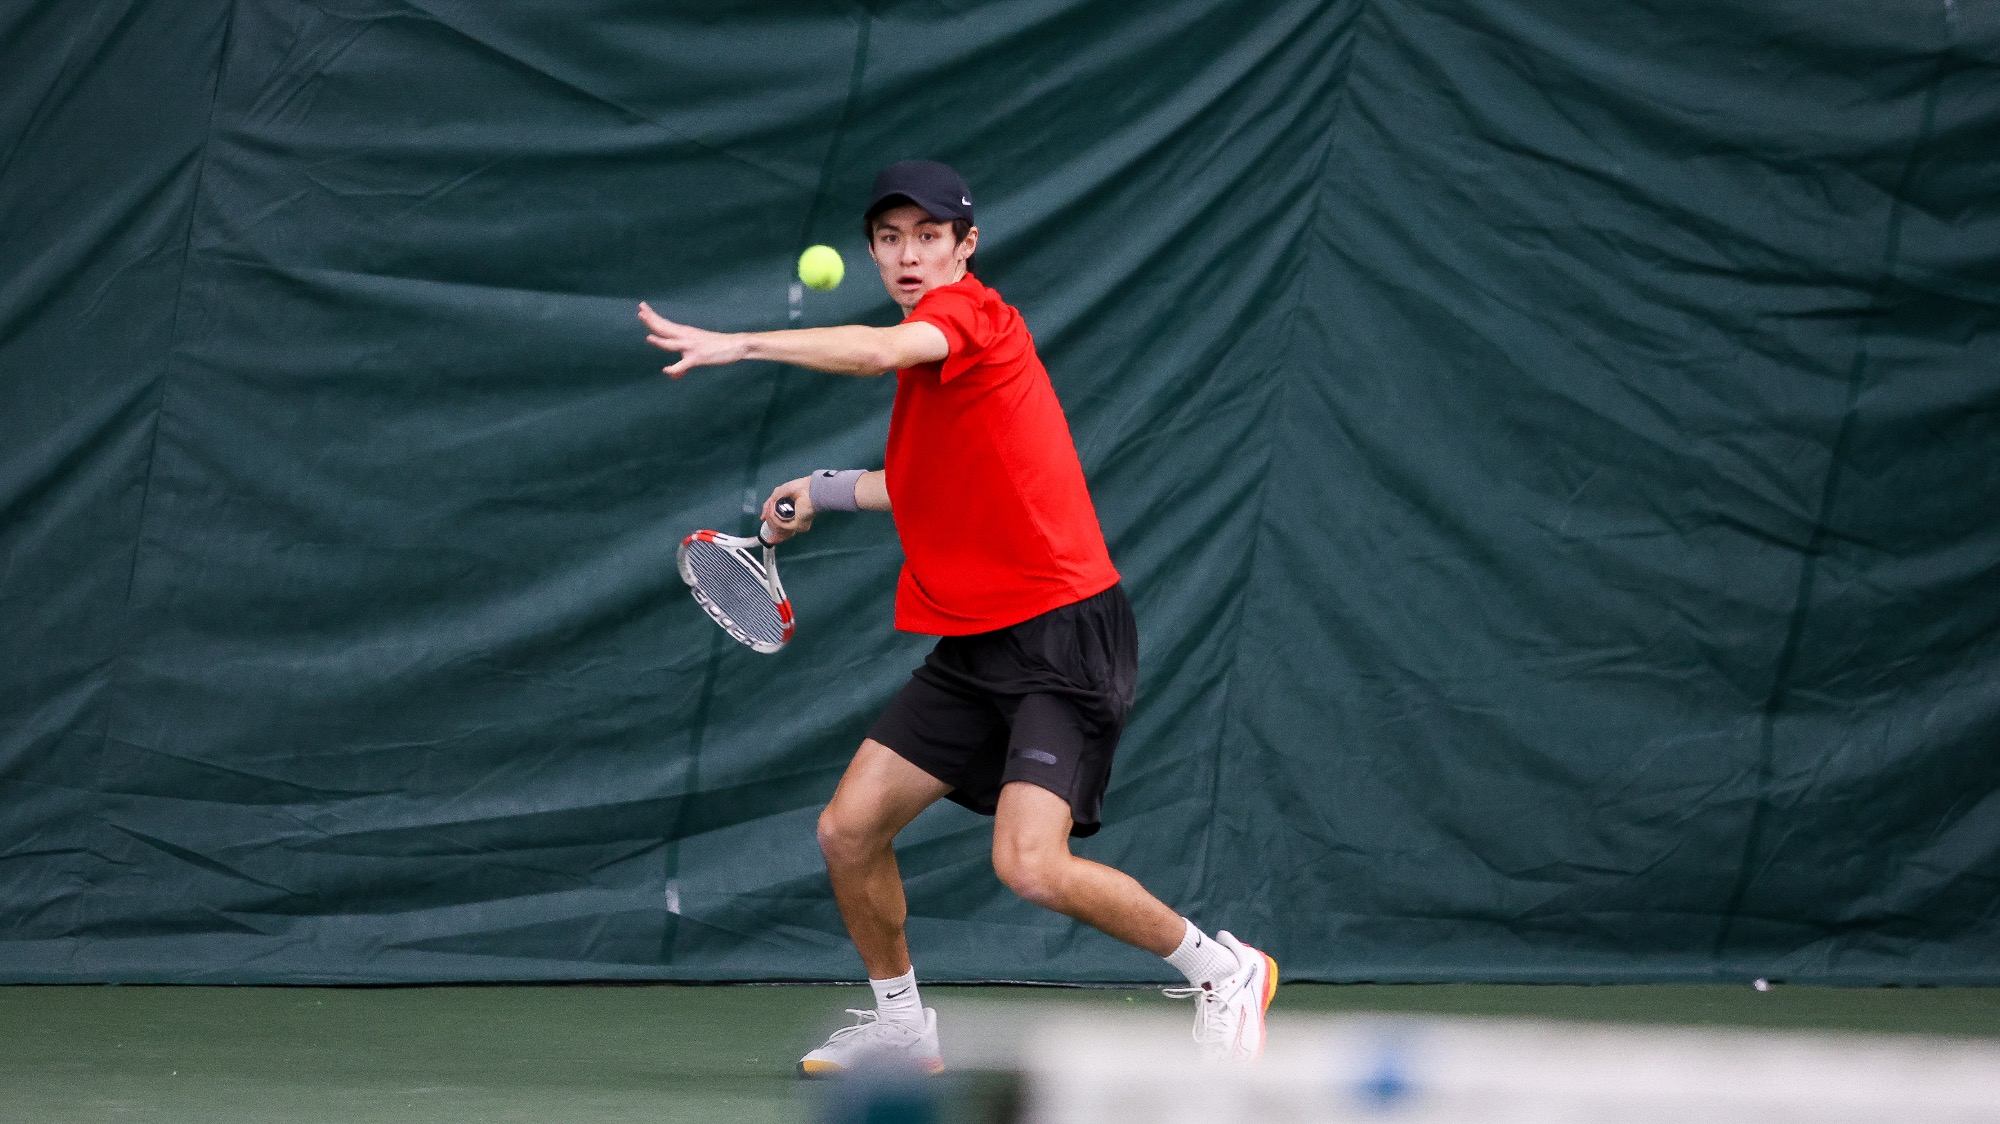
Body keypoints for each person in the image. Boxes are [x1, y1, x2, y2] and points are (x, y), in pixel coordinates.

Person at [637, 160, 1274, 1074]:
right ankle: (902, 1028)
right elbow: (923, 483)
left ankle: (1225, 972)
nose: (908, 254)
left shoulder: (969, 317)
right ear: (872, 250)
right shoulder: (936, 369)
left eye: (928, 237)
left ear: (964, 248)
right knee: (848, 829)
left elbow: (875, 352)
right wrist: (823, 489)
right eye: (890, 238)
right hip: (976, 640)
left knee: (1030, 865)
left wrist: (743, 344)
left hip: (1062, 630)